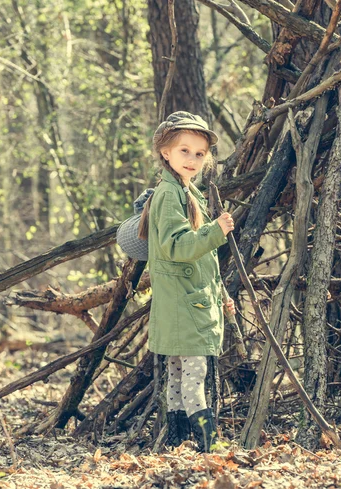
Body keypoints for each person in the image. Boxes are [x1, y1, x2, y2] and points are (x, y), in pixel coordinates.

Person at [137, 111, 236, 453]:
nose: (192, 159)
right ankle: (210, 443)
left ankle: (178, 439)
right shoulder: (170, 196)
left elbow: (203, 261)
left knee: (180, 376)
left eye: (199, 153)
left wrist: (220, 294)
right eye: (184, 151)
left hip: (187, 303)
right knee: (194, 378)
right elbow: (179, 247)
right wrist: (216, 230)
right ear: (165, 152)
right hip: (184, 305)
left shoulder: (185, 191)